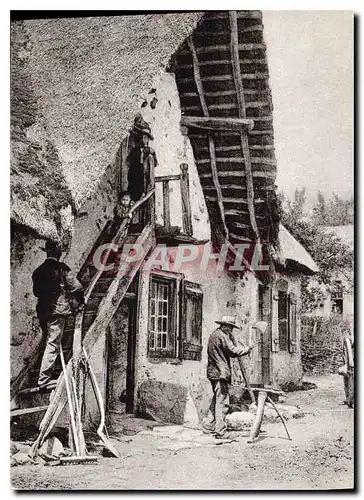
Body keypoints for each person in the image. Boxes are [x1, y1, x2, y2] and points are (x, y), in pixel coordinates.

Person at [32, 240, 84, 387]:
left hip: (43, 312)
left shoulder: (38, 271)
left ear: (47, 252)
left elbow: (36, 293)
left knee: (49, 341)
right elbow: (77, 286)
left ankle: (52, 371)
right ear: (58, 253)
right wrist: (74, 298)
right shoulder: (62, 268)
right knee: (53, 344)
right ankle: (43, 380)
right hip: (58, 312)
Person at [204, 315, 252, 438]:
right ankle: (220, 431)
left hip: (213, 372)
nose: (231, 330)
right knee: (222, 402)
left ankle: (209, 426)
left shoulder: (215, 334)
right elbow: (231, 351)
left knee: (216, 399)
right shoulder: (221, 336)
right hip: (220, 373)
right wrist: (246, 349)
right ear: (224, 326)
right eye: (230, 328)